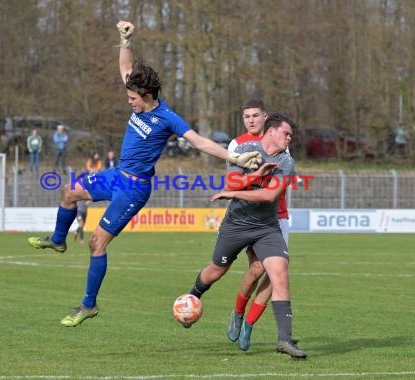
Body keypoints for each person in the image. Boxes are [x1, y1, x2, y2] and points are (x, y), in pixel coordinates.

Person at [27, 20, 261, 328]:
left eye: (133, 98)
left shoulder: (167, 118)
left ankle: (88, 305)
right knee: (69, 191)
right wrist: (125, 41)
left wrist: (236, 159)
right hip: (117, 174)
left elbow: (200, 141)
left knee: (97, 243)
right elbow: (126, 70)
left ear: (147, 95)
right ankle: (58, 241)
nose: (129, 101)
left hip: (133, 190)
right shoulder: (136, 97)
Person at [186, 113, 307, 359]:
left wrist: (236, 194)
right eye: (287, 134)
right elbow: (233, 183)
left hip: (266, 227)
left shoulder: (286, 162)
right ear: (272, 131)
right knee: (217, 270)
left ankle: (284, 340)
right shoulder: (243, 150)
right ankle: (194, 296)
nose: (289, 139)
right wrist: (255, 175)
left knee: (279, 271)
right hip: (236, 225)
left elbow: (268, 196)